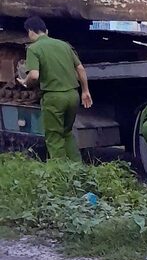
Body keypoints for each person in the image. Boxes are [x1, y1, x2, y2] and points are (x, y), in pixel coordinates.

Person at [17, 16, 92, 162]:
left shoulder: (34, 48)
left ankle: (60, 174)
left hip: (54, 98)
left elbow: (34, 75)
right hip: (73, 95)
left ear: (30, 32)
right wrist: (85, 91)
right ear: (46, 31)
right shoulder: (64, 45)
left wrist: (24, 82)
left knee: (54, 137)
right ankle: (77, 169)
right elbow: (80, 69)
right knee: (67, 132)